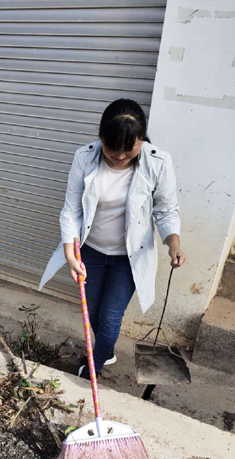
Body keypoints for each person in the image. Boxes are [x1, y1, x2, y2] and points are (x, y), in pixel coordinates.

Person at [39, 99, 186, 379]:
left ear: (140, 139)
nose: (119, 156)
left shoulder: (158, 162)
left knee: (109, 318)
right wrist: (70, 255)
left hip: (128, 258)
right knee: (93, 313)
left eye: (128, 149)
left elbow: (166, 210)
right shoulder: (84, 157)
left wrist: (173, 244)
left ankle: (93, 369)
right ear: (101, 138)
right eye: (111, 148)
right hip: (90, 252)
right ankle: (107, 351)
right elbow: (71, 210)